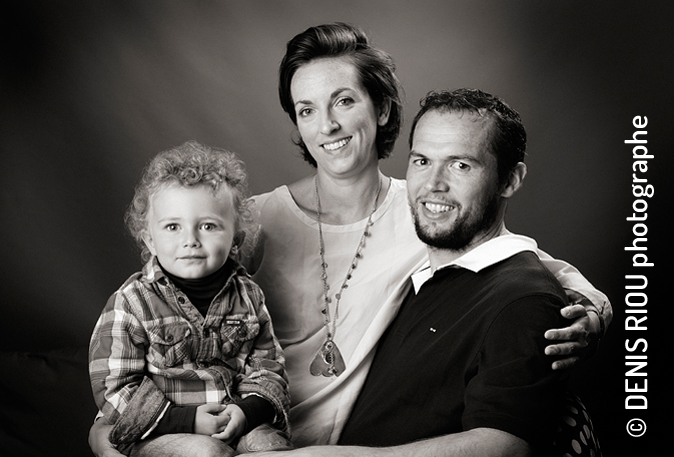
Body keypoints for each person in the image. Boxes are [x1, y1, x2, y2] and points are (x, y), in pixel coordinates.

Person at [89, 23, 611, 455]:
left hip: (343, 447)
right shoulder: (251, 221)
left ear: (380, 109)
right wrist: (107, 433)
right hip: (240, 432)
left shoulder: (429, 208)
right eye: (307, 109)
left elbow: (527, 263)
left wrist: (594, 310)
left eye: (343, 101)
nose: (327, 125)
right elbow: (153, 305)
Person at [256, 88, 587, 456]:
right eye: (422, 161)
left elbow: (504, 446)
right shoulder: (427, 272)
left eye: (461, 165)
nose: (433, 185)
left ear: (510, 180)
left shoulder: (521, 301)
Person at [88, 142, 293, 456]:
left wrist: (247, 411)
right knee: (207, 452)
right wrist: (186, 419)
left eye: (208, 226)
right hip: (156, 430)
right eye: (172, 226)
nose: (190, 240)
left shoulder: (248, 296)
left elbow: (268, 367)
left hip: (231, 419)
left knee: (270, 447)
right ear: (150, 241)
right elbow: (114, 388)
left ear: (236, 239)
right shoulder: (131, 303)